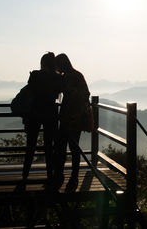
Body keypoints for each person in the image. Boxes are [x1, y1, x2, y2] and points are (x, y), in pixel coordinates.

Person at [17, 52, 62, 191]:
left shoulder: (35, 75)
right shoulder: (57, 78)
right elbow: (59, 94)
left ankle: (25, 176)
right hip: (51, 113)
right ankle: (50, 175)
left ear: (42, 63)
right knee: (49, 146)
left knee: (30, 146)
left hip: (35, 113)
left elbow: (29, 93)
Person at [55, 53, 90, 192]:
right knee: (74, 147)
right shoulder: (77, 75)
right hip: (75, 116)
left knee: (63, 147)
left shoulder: (67, 77)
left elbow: (83, 95)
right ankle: (73, 177)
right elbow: (86, 95)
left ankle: (61, 175)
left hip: (69, 116)